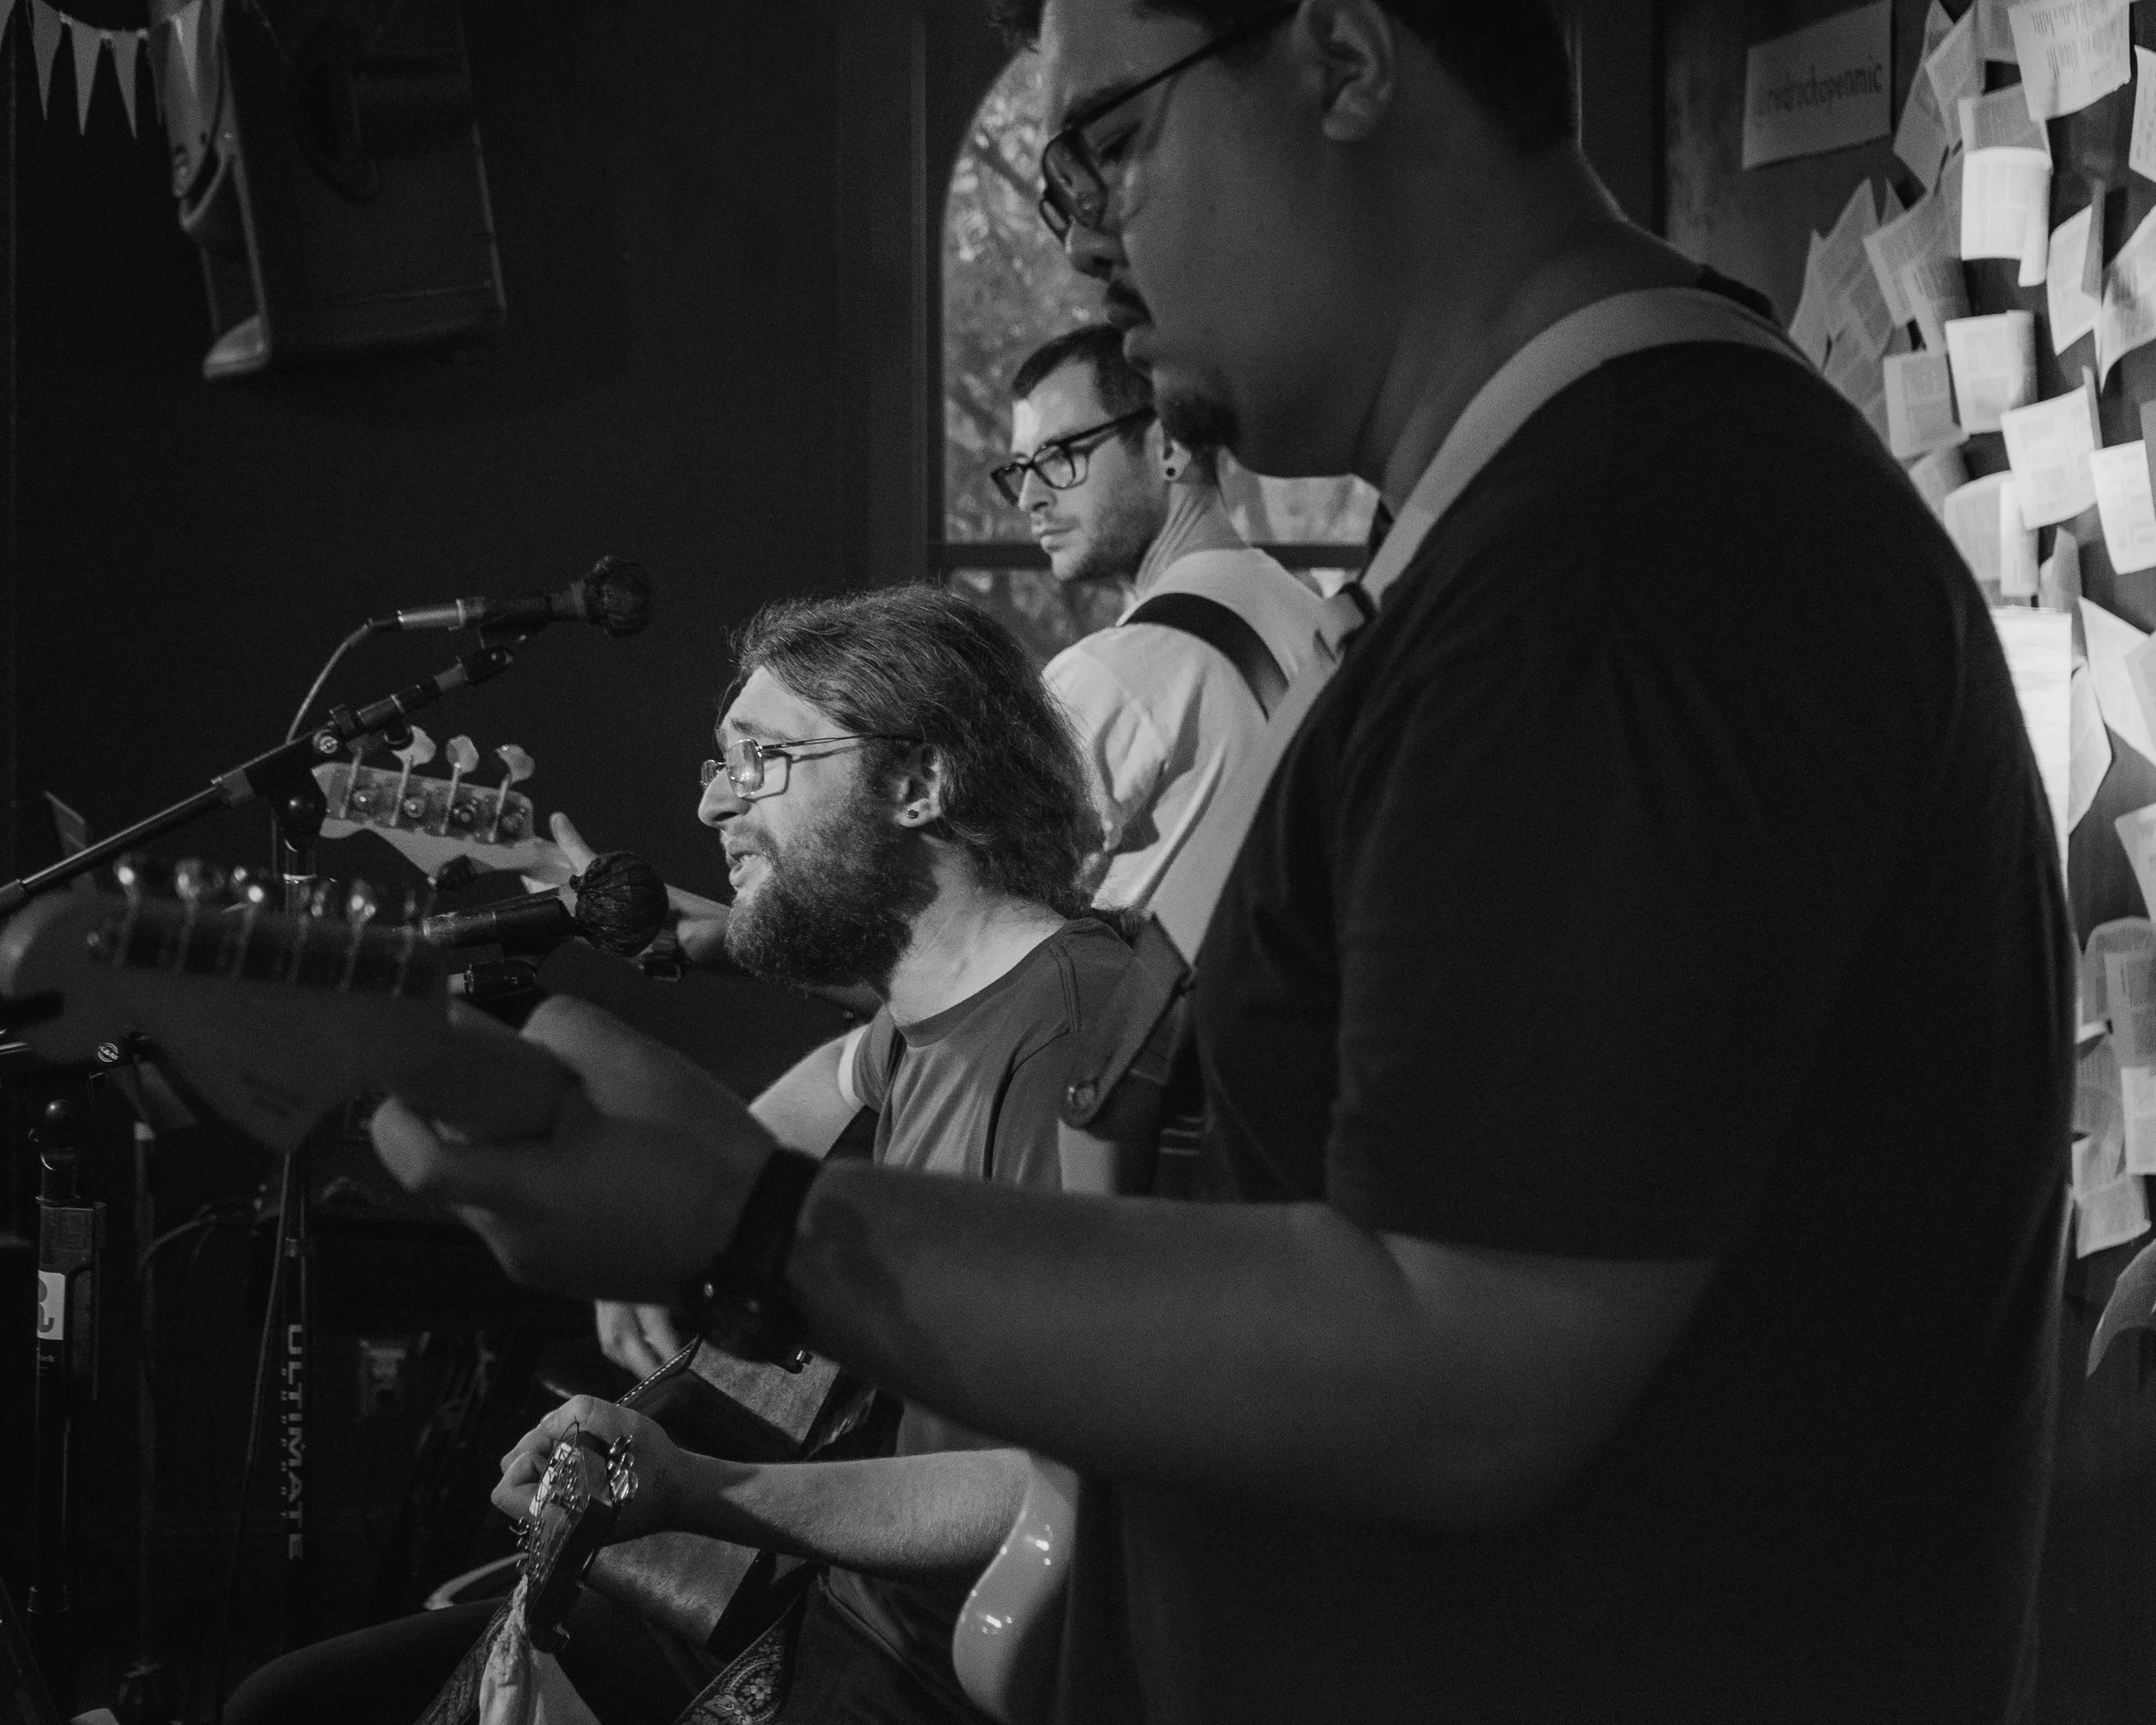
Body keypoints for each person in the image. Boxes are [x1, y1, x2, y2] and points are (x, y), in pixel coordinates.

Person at [373, 3, 2073, 1721]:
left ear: (1341, 59)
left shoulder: (1609, 564)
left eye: (1109, 145)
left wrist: (752, 1222)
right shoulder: (1556, 525)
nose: (1089, 244)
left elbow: (1452, 1363)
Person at [229, 586, 1130, 1725]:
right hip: (815, 1609)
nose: (711, 801)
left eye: (761, 760)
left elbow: (1052, 1494)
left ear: (918, 781)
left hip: (910, 1669)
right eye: (719, 761)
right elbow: (803, 1107)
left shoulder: (1065, 1036)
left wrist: (707, 1488)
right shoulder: (924, 1014)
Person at [1000, 323, 1326, 907]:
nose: (1031, 498)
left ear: (1168, 446)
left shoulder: (1112, 679)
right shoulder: (1318, 622)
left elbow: (983, 935)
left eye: (1060, 456)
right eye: (1021, 468)